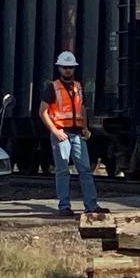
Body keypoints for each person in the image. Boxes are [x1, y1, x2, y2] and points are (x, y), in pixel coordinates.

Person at [39, 51, 109, 218]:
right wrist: (55, 131)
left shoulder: (78, 86)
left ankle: (91, 205)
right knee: (62, 170)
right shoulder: (52, 87)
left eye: (70, 67)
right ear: (59, 68)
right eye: (65, 67)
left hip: (77, 133)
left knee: (85, 169)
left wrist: (85, 127)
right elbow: (42, 112)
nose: (68, 70)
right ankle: (64, 206)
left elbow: (81, 108)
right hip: (61, 133)